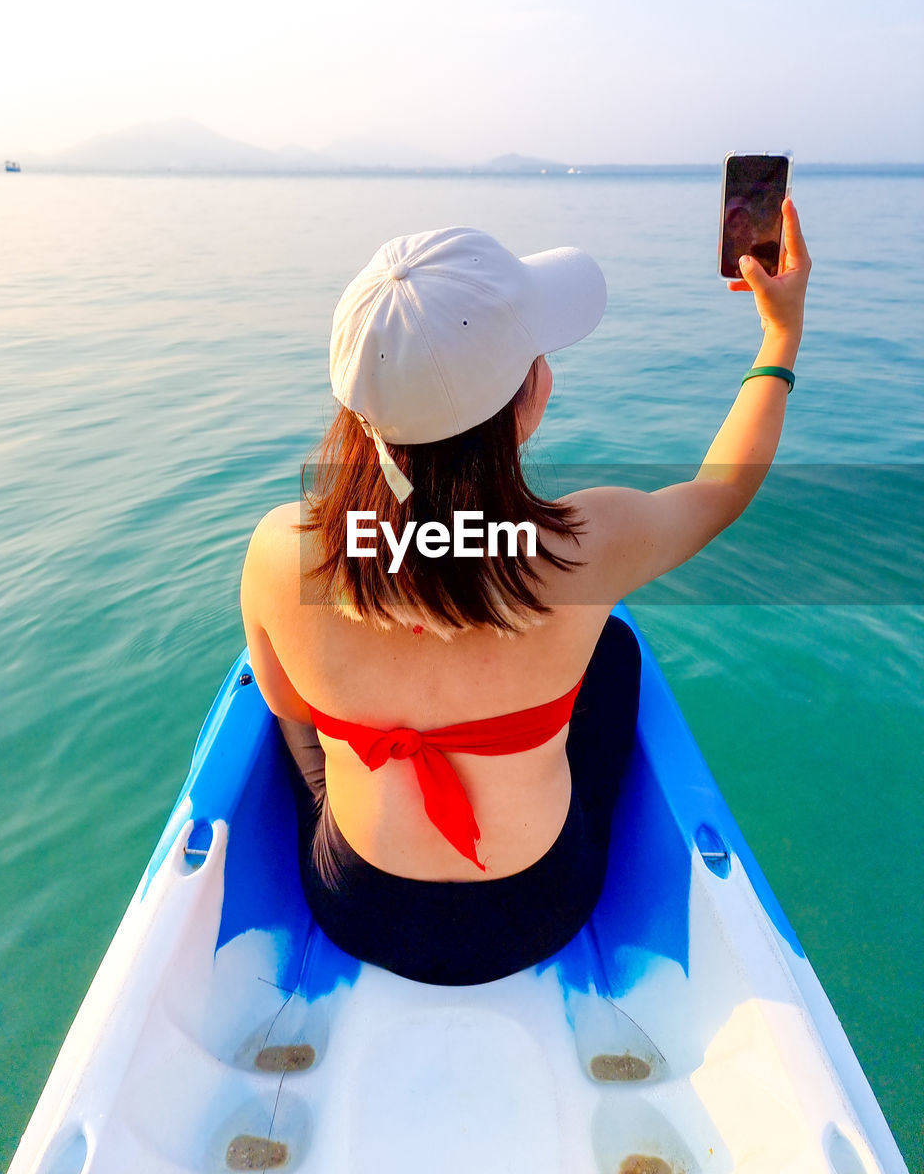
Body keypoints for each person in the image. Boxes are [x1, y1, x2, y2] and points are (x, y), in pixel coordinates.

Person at [240, 202, 811, 985]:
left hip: (358, 908)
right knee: (610, 649)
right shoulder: (588, 547)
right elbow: (718, 494)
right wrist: (779, 338)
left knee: (286, 695)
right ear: (522, 402)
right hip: (539, 908)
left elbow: (289, 705)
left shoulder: (281, 552)